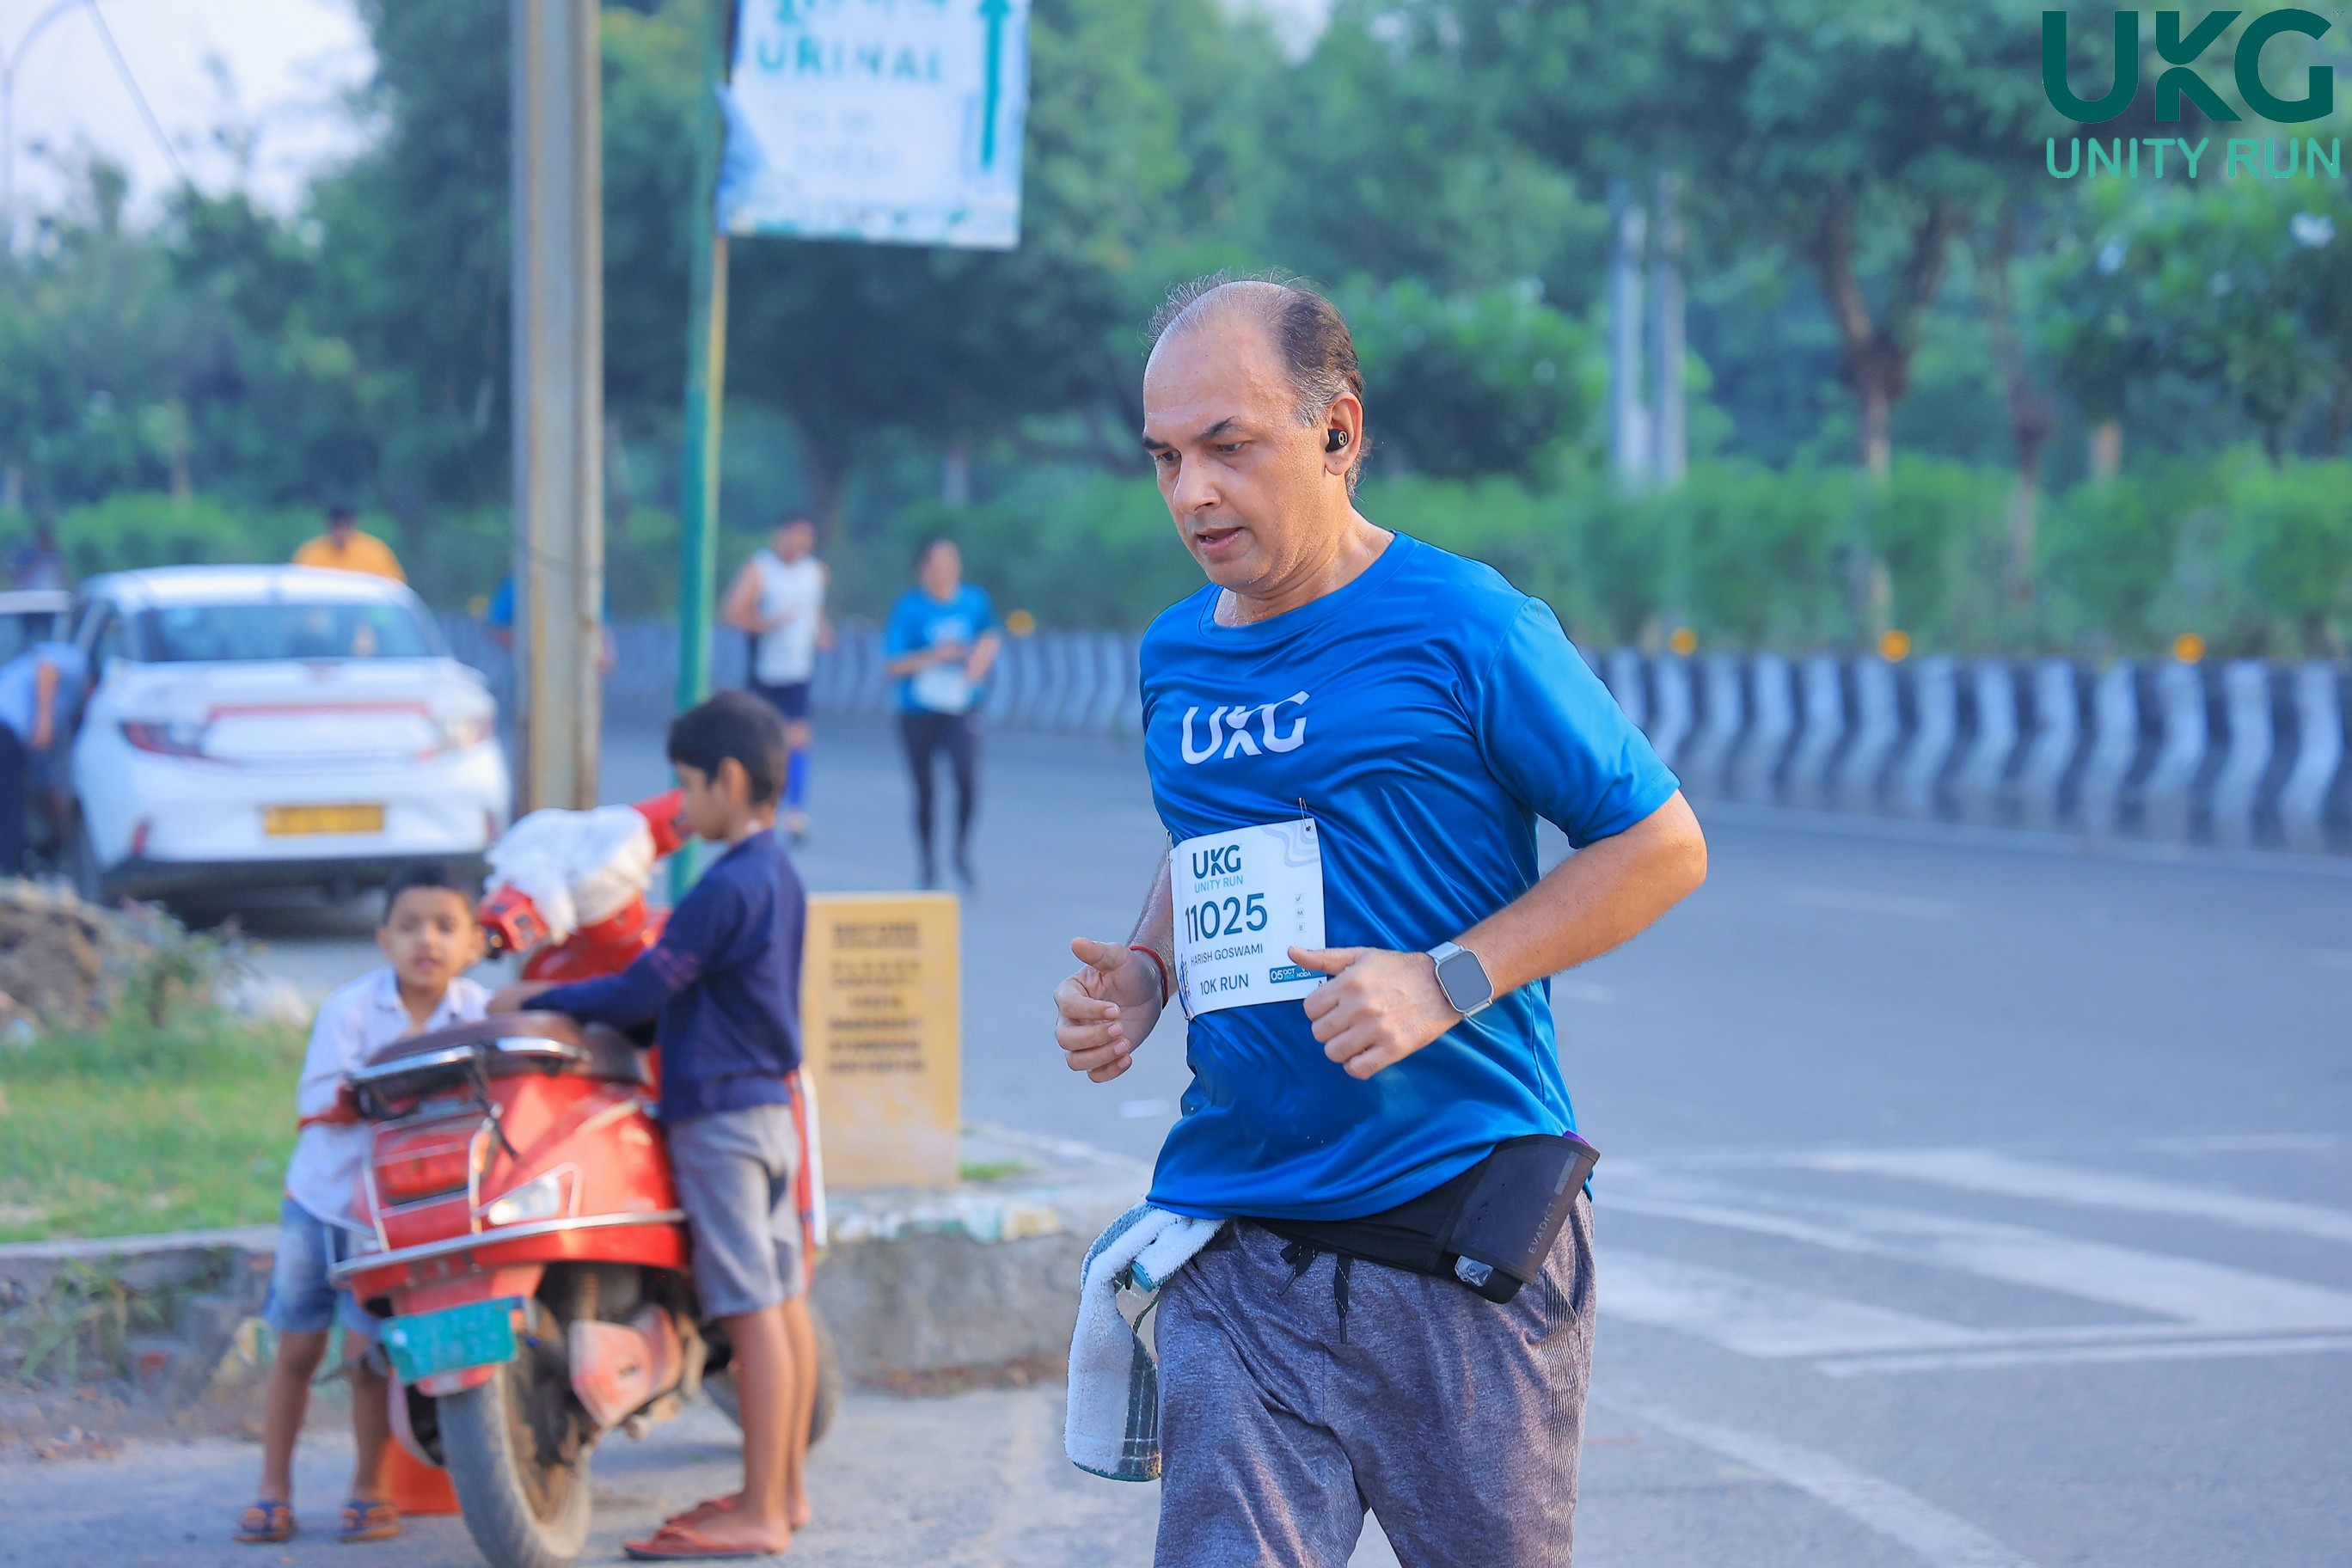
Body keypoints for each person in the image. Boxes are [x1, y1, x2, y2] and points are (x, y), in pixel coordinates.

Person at [1051, 277, 1709, 1567]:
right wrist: (1147, 968)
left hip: (1455, 1238)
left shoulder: (1469, 627)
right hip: (1240, 1238)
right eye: (1167, 458)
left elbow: (1659, 846)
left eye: (1228, 446)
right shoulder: (1176, 653)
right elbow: (1213, 837)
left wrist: (1444, 979)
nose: (1192, 493)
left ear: (1338, 432)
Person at [490, 691, 817, 1560]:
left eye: (688, 786)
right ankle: (784, 1494)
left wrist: (538, 997)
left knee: (749, 1311)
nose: (682, 808)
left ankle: (761, 1510)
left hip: (720, 1121)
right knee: (781, 1304)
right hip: (769, 1113)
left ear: (728, 780)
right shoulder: (778, 875)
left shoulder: (723, 888)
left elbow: (643, 989)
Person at [237, 866, 490, 1547]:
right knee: (297, 1348)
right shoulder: (348, 1010)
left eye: (445, 927)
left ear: (473, 943)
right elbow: (321, 1099)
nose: (426, 940)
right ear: (383, 940)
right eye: (409, 926)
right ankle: (273, 1490)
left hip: (394, 1217)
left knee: (368, 1356)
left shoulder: (478, 1013)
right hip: (322, 1202)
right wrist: (408, 1084)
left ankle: (369, 1488)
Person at [882, 537, 1000, 890]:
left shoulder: (974, 600)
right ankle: (927, 864)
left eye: (951, 562)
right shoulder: (909, 608)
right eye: (937, 563)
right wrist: (936, 655)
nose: (945, 570)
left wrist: (976, 666)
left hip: (961, 705)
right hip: (918, 709)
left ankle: (961, 851)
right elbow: (894, 665)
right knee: (925, 789)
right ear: (924, 569)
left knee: (966, 778)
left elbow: (989, 637)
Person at [722, 514, 831, 842]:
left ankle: (795, 812)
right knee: (760, 739)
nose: (798, 542)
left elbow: (813, 611)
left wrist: (822, 631)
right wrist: (767, 624)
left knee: (798, 737)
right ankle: (753, 806)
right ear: (779, 535)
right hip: (765, 669)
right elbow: (733, 613)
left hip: (798, 669)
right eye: (793, 534)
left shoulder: (816, 572)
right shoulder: (760, 569)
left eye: (805, 535)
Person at [0, 637, 86, 874]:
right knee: (10, 802)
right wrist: (44, 720)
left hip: (13, 738)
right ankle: (9, 869)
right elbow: (47, 668)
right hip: (5, 726)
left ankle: (11, 865)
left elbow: (45, 781)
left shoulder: (63, 721)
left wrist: (61, 832)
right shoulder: (78, 665)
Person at [292, 504, 406, 582]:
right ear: (328, 525)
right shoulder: (311, 553)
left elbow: (395, 587)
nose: (340, 532)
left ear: (354, 524)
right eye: (336, 526)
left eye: (345, 526)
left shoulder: (375, 551)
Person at [9, 521, 63, 590]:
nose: (46, 542)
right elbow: (17, 577)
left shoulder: (55, 558)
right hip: (29, 592)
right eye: (43, 538)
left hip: (54, 592)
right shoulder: (28, 556)